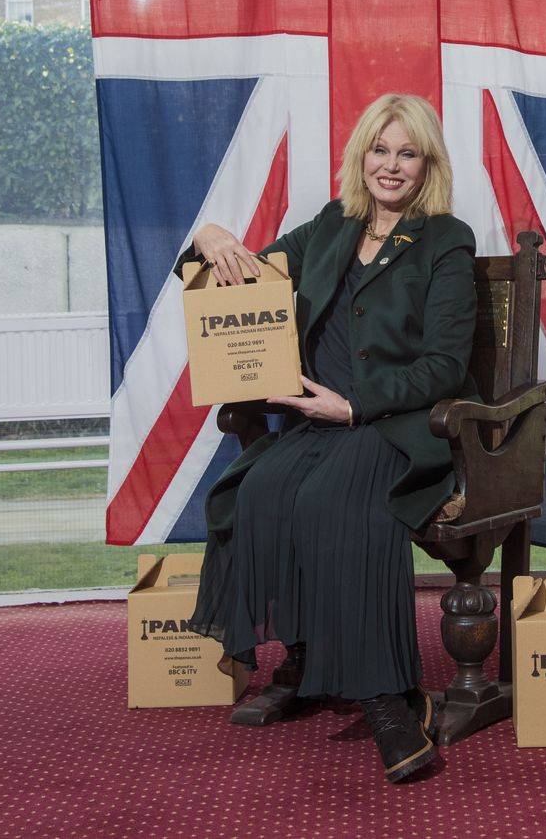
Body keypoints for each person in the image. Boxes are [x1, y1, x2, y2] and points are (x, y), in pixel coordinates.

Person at [178, 93, 477, 783]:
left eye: (407, 152)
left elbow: (445, 365)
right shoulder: (329, 224)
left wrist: (355, 404)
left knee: (334, 505)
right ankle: (307, 659)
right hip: (315, 422)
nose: (391, 165)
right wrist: (210, 237)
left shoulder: (445, 238)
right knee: (257, 492)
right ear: (360, 156)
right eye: (380, 149)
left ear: (427, 163)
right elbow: (245, 279)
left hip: (390, 424)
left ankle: (389, 697)